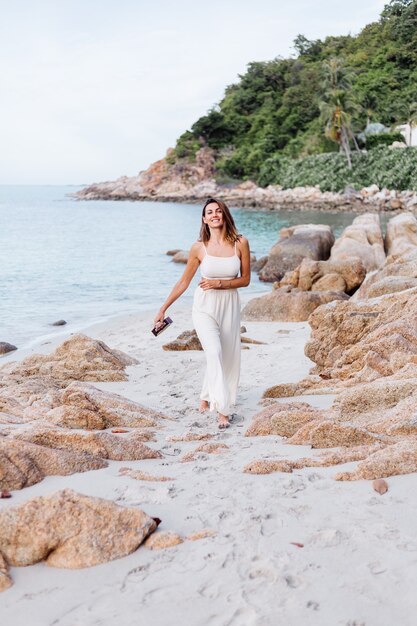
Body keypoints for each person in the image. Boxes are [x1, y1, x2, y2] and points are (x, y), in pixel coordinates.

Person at [154, 198, 251, 428]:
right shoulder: (199, 247)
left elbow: (246, 279)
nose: (215, 214)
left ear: (224, 215)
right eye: (210, 212)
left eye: (218, 210)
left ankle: (204, 397)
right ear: (204, 219)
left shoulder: (240, 243)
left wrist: (220, 283)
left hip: (229, 305)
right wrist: (163, 308)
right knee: (215, 351)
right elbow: (184, 281)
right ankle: (223, 410)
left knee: (224, 356)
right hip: (204, 307)